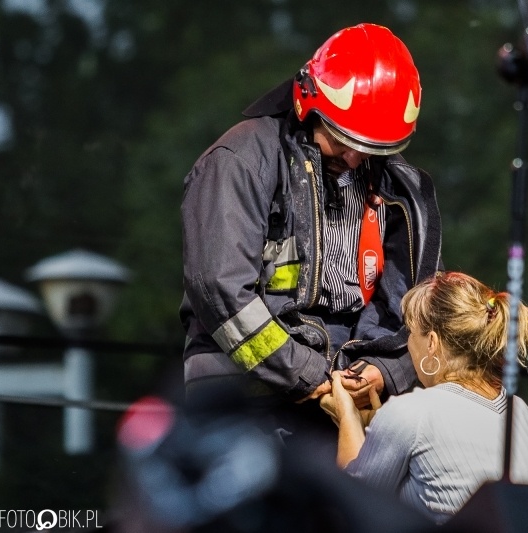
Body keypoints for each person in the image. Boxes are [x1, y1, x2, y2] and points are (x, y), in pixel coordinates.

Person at [178, 23, 443, 449]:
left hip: (353, 396)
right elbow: (220, 293)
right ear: (307, 103)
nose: (356, 158)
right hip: (244, 398)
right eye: (343, 139)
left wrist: (383, 370)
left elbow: (424, 304)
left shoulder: (401, 189)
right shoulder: (239, 163)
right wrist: (310, 376)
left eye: (374, 148)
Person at [321, 271, 528, 524]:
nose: (409, 343)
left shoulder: (412, 411)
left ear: (431, 343)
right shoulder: (520, 411)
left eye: (411, 332)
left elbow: (351, 505)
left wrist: (348, 417)